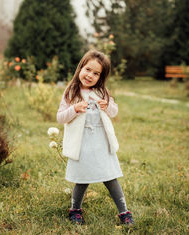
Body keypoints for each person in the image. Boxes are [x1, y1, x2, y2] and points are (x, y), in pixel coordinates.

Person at [57, 49, 134, 225]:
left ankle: (124, 212)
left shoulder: (102, 92)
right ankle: (75, 210)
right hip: (81, 144)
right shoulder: (71, 92)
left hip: (101, 143)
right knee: (82, 179)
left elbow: (114, 112)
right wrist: (74, 109)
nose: (90, 75)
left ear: (101, 77)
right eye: (88, 70)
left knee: (110, 177)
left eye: (96, 73)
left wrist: (107, 105)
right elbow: (60, 117)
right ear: (80, 68)